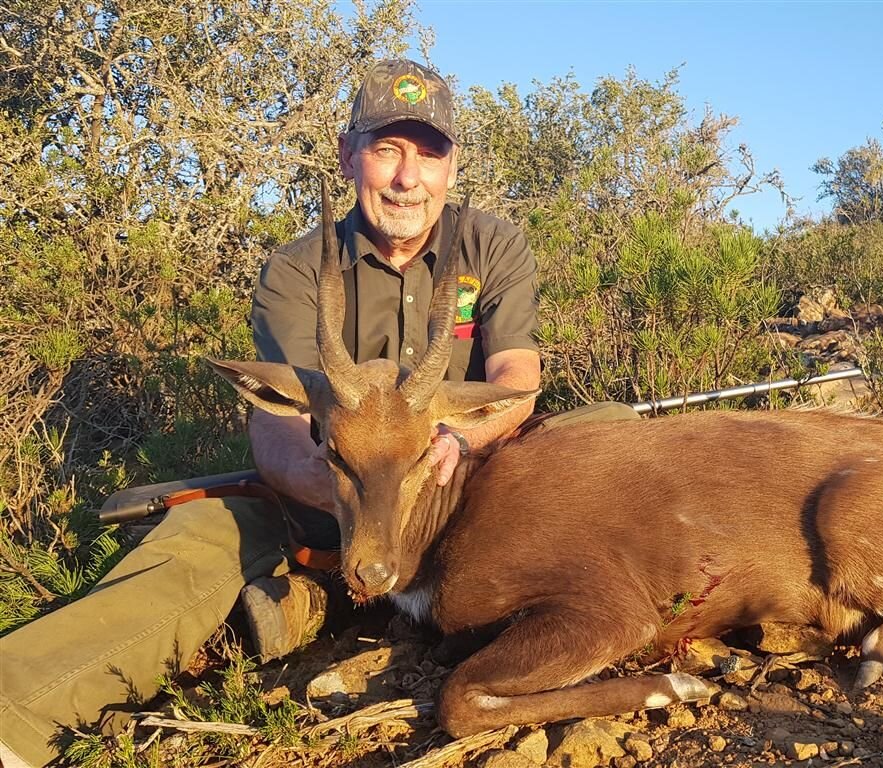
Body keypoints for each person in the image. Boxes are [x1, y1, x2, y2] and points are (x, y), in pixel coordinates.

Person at [0, 58, 634, 768]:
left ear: (451, 167)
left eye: (428, 153)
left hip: (467, 483)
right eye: (386, 149)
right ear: (347, 155)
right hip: (335, 501)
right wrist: (363, 500)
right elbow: (277, 432)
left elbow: (515, 379)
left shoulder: (491, 244)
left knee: (608, 429)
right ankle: (16, 712)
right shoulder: (299, 270)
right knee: (203, 535)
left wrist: (456, 442)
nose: (406, 177)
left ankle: (336, 601)